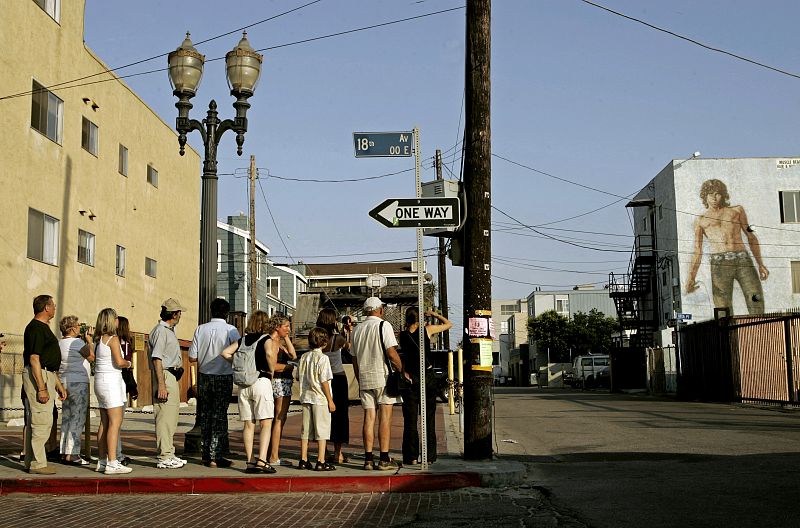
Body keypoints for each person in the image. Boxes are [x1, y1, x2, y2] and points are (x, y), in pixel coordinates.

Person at [685, 178, 769, 315]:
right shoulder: (701, 220)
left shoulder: (737, 211)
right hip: (719, 264)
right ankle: (725, 337)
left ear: (723, 195)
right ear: (704, 196)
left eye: (717, 193)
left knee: (756, 300)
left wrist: (761, 264)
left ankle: (760, 334)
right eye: (710, 194)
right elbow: (697, 251)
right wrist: (691, 277)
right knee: (722, 310)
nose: (713, 197)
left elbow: (751, 237)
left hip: (742, 260)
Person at [351, 296, 409, 471]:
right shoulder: (384, 326)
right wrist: (402, 371)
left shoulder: (356, 330)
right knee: (385, 417)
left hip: (364, 377)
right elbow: (391, 353)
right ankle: (384, 458)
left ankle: (368, 458)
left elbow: (354, 359)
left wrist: (359, 377)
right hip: (382, 376)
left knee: (368, 418)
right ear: (380, 310)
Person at [221, 310, 276, 474]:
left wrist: (237, 364)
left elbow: (224, 352)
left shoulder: (242, 340)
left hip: (244, 386)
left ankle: (250, 461)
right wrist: (271, 371)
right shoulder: (266, 338)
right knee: (265, 423)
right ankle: (262, 460)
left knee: (248, 424)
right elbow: (269, 352)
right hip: (261, 381)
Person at [188, 298, 240, 468]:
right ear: (227, 313)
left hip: (204, 375)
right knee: (220, 415)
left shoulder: (200, 329)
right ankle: (215, 454)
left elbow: (192, 357)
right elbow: (239, 353)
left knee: (205, 415)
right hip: (223, 374)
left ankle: (206, 453)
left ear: (211, 311)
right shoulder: (231, 330)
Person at [399, 308, 452, 465]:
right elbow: (449, 324)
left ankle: (411, 456)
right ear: (419, 319)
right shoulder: (427, 330)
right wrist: (435, 315)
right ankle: (429, 456)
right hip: (427, 376)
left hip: (410, 377)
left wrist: (403, 372)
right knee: (429, 418)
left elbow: (401, 356)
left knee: (410, 419)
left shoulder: (402, 335)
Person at [22, 294, 67, 474]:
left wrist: (58, 385)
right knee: (42, 420)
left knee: (39, 420)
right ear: (46, 308)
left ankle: (32, 461)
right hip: (39, 375)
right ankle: (38, 464)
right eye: (53, 305)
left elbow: (48, 363)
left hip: (47, 374)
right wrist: (41, 387)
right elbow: (34, 359)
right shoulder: (35, 328)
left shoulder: (43, 328)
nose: (55, 308)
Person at [148, 298, 187, 469]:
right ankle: (164, 455)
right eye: (179, 313)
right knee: (164, 416)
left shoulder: (168, 330)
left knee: (171, 417)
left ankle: (169, 452)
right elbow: (157, 358)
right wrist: (161, 384)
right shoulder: (162, 331)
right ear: (174, 314)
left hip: (170, 375)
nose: (180, 316)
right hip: (164, 374)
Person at [93, 308, 133, 475]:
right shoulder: (113, 339)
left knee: (104, 423)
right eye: (116, 318)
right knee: (115, 423)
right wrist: (128, 363)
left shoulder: (98, 340)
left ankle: (102, 460)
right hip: (111, 382)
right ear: (112, 320)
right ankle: (113, 461)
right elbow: (118, 362)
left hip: (100, 382)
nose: (118, 321)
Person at [296, 327, 336, 471]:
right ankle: (320, 460)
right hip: (320, 398)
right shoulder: (323, 358)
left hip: (306, 396)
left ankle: (303, 459)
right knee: (322, 430)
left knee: (305, 430)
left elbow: (298, 376)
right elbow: (324, 380)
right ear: (324, 342)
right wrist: (330, 400)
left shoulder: (304, 357)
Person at [57, 316, 94, 466]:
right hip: (78, 381)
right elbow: (91, 356)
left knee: (67, 417)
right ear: (72, 328)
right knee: (77, 418)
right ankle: (73, 454)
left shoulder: (59, 343)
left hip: (64, 381)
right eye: (78, 325)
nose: (80, 327)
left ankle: (65, 451)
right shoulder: (77, 342)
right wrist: (89, 341)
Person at [317, 308, 350, 464]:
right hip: (338, 378)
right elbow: (349, 347)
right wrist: (348, 330)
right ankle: (339, 453)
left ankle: (324, 451)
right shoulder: (338, 339)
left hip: (322, 380)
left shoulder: (317, 339)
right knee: (340, 416)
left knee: (322, 416)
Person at [267, 314, 296, 467]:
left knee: (280, 419)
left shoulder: (279, 342)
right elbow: (272, 366)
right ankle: (273, 456)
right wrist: (289, 367)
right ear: (277, 327)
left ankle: (272, 452)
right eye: (286, 326)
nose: (288, 329)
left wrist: (286, 338)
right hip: (279, 382)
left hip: (284, 381)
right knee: (279, 418)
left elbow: (293, 354)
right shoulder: (272, 342)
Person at [116, 316, 136, 466]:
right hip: (118, 384)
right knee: (115, 423)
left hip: (114, 382)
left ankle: (112, 453)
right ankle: (116, 454)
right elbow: (126, 368)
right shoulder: (123, 344)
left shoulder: (106, 341)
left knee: (109, 423)